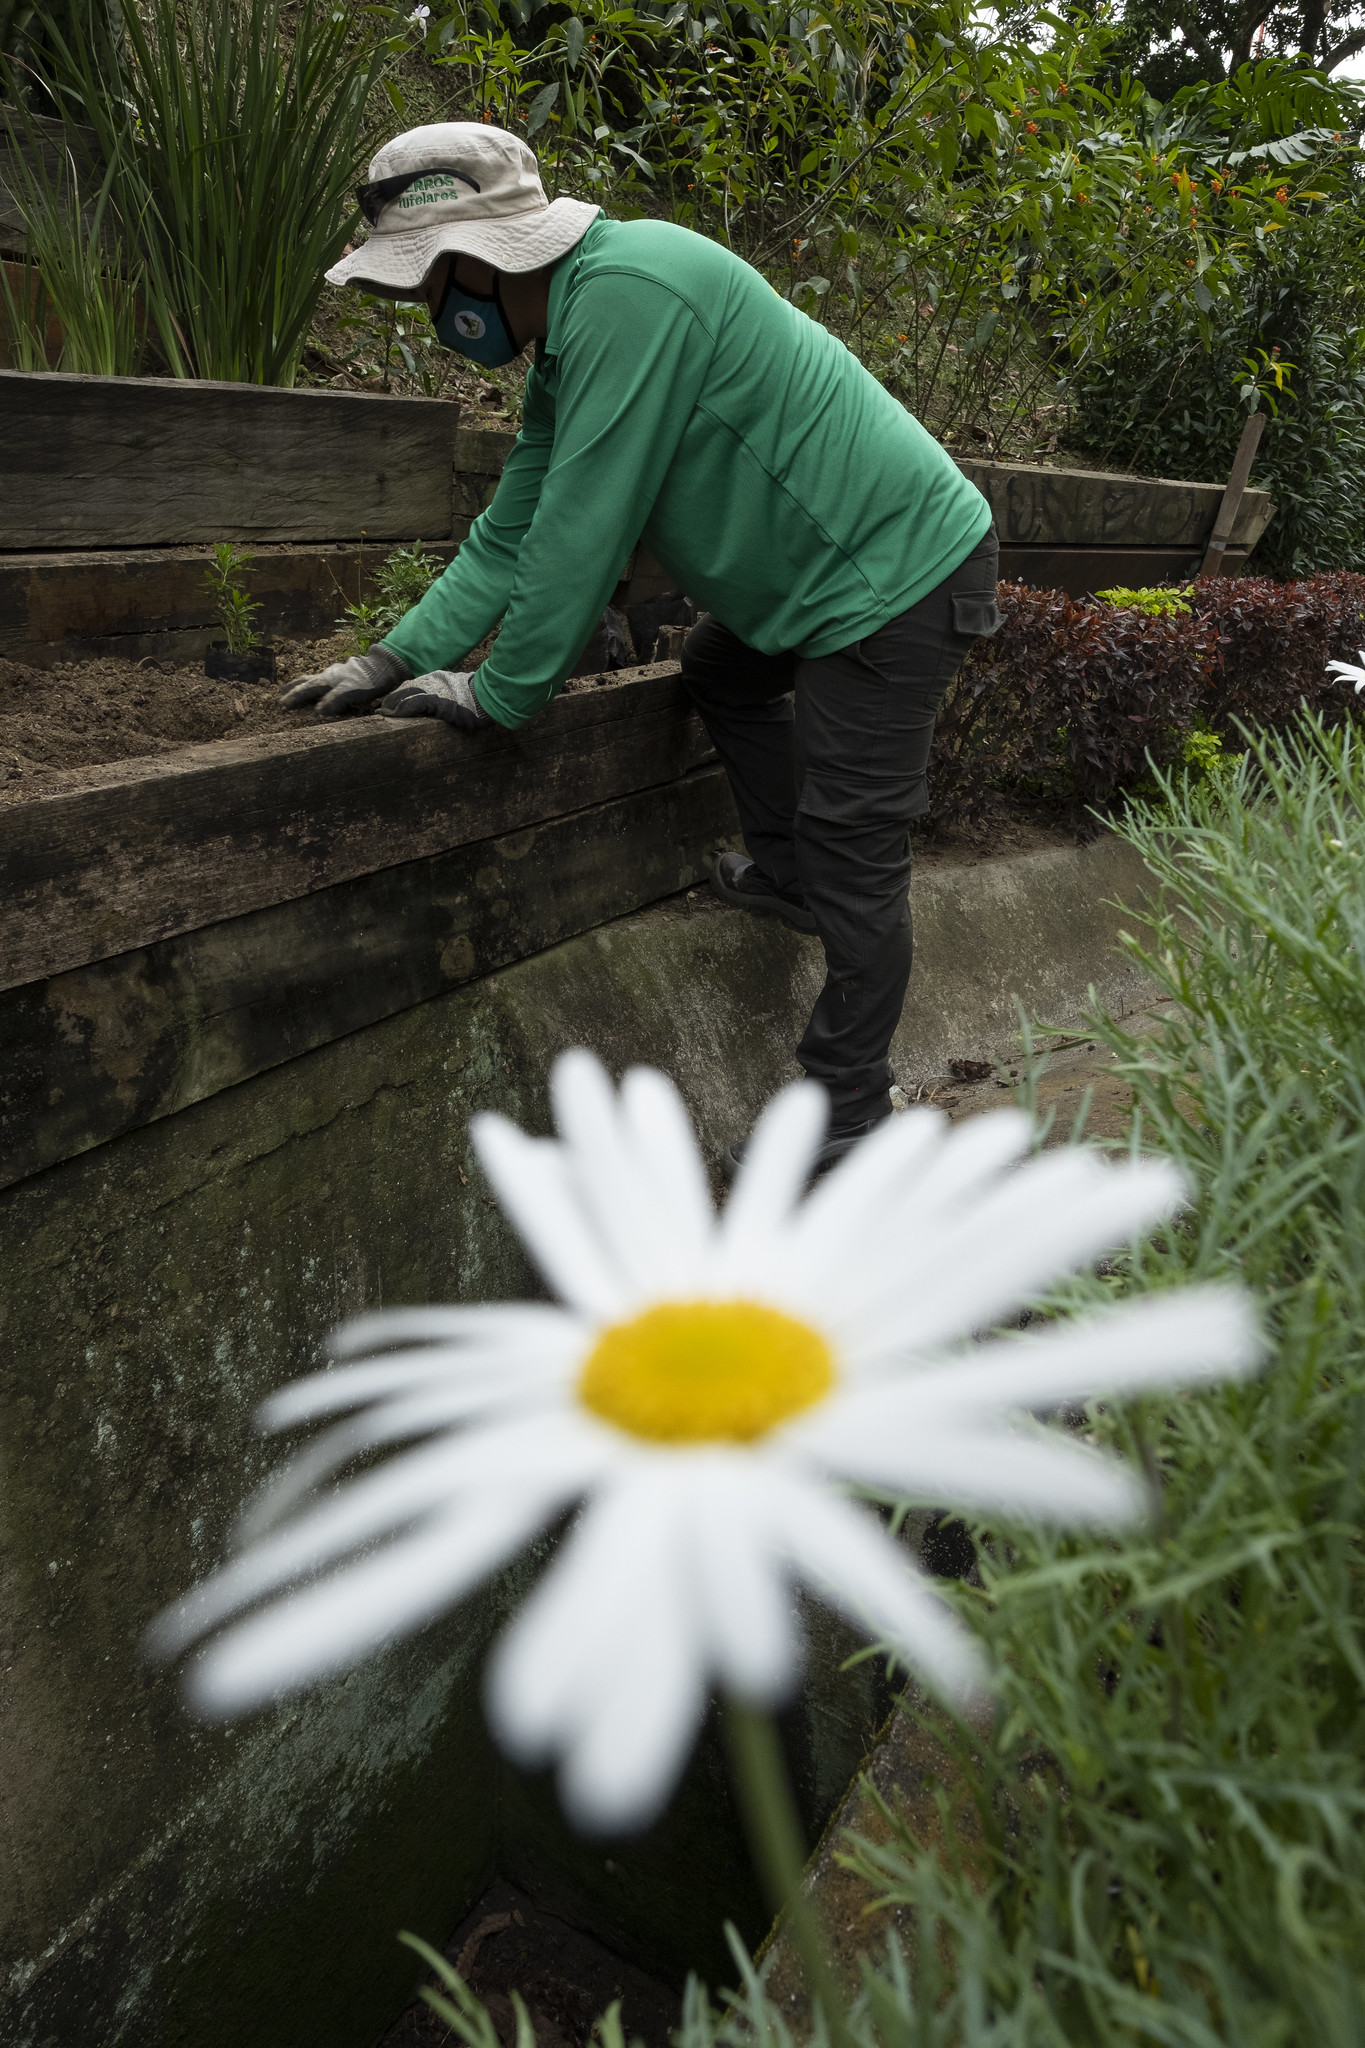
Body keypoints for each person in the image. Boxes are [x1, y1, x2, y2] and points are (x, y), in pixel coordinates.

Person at [286, 121, 1002, 1172]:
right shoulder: (574, 341)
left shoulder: (631, 293)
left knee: (861, 844)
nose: (431, 314)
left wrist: (500, 691)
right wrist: (391, 657)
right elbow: (512, 530)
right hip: (829, 583)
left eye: (427, 288)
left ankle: (848, 1116)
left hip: (895, 579)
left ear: (479, 262)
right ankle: (791, 879)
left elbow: (584, 529)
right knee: (719, 670)